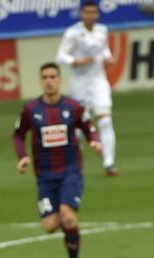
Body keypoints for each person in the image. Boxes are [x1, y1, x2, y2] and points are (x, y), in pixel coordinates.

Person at [13, 62, 102, 258]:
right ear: (41, 81)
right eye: (45, 77)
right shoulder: (31, 110)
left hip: (70, 172)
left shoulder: (73, 107)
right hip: (44, 176)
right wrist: (23, 156)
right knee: (50, 226)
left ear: (60, 80)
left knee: (68, 217)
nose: (49, 81)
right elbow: (18, 134)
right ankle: (66, 225)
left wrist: (94, 141)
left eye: (53, 76)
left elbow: (87, 126)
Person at [57, 0, 119, 176]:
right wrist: (76, 61)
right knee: (79, 127)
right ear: (81, 14)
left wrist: (110, 59)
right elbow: (60, 56)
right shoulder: (73, 33)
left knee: (105, 121)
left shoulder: (102, 31)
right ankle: (73, 162)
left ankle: (109, 163)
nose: (91, 15)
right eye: (88, 12)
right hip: (80, 83)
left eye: (94, 12)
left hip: (99, 81)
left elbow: (104, 51)